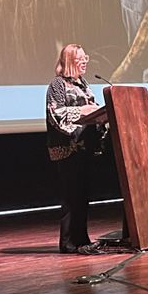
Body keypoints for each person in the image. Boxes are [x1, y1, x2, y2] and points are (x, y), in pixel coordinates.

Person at [45, 44, 106, 255]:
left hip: (86, 148)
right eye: (81, 58)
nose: (85, 61)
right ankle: (69, 243)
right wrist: (84, 110)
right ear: (70, 60)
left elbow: (94, 110)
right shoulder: (58, 85)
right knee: (71, 197)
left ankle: (83, 240)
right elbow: (56, 114)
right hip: (68, 149)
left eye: (86, 57)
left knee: (83, 196)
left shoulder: (83, 84)